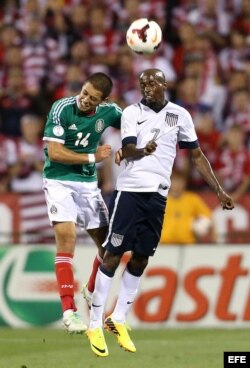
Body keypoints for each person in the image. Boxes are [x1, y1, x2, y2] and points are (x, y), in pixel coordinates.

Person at [85, 68, 234, 357]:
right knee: (114, 253)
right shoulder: (131, 113)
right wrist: (143, 150)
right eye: (143, 83)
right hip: (130, 191)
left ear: (165, 84)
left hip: (158, 195)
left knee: (141, 257)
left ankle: (118, 318)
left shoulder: (180, 115)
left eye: (153, 81)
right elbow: (127, 150)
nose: (148, 86)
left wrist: (218, 190)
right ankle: (94, 322)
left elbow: (196, 155)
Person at [42, 72, 122, 334]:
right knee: (66, 240)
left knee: (108, 245)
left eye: (93, 98)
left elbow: (132, 126)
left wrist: (127, 147)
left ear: (103, 101)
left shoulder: (110, 112)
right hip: (58, 181)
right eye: (85, 92)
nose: (85, 100)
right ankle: (69, 312)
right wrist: (93, 157)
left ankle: (90, 290)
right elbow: (55, 152)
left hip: (88, 185)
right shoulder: (61, 108)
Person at [160, 170, 214, 245]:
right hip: (165, 244)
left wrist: (200, 225)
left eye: (180, 182)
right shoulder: (160, 200)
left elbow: (208, 216)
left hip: (188, 243)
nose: (177, 185)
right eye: (174, 181)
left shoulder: (192, 199)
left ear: (184, 183)